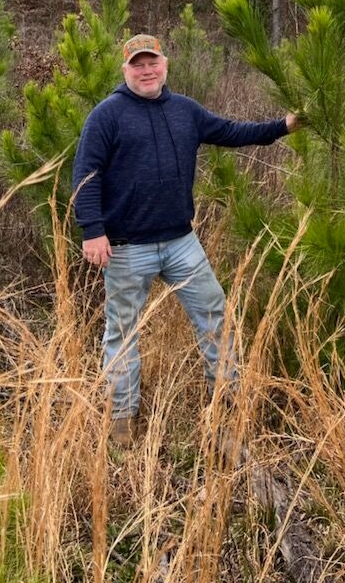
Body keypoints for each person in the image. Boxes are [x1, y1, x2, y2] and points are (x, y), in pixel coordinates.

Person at [72, 33, 299, 445]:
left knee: (216, 318)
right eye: (137, 64)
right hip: (126, 247)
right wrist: (93, 230)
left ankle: (226, 408)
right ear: (125, 70)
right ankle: (122, 420)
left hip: (181, 242)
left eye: (152, 62)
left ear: (164, 65)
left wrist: (284, 126)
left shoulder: (185, 111)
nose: (146, 70)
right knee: (122, 333)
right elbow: (86, 174)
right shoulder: (106, 116)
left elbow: (233, 132)